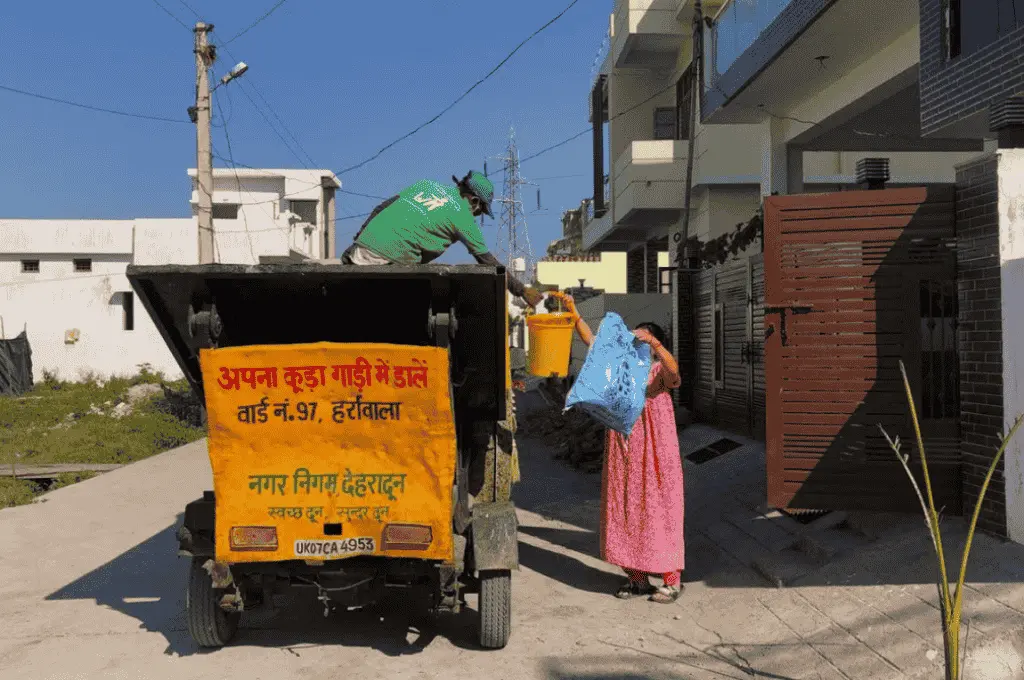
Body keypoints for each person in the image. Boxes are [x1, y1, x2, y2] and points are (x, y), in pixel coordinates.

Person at [562, 295, 686, 604]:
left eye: (641, 336)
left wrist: (654, 343)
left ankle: (671, 581)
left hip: (656, 449)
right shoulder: (619, 366)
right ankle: (637, 580)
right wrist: (574, 312)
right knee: (624, 507)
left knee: (659, 506)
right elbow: (592, 340)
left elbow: (675, 374)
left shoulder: (658, 370)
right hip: (623, 448)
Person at [341, 170, 543, 307]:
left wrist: (358, 241)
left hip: (360, 250)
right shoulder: (463, 217)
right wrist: (521, 290)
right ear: (473, 201)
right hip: (389, 262)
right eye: (480, 211)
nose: (477, 216)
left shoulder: (426, 185)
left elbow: (381, 208)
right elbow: (487, 262)